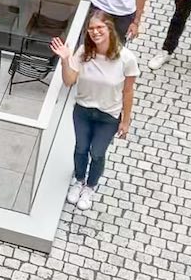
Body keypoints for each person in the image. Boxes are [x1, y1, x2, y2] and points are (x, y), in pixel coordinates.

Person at [50, 13, 138, 212]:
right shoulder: (84, 52)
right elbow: (69, 81)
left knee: (97, 153)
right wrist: (65, 60)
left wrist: (126, 121)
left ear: (109, 29)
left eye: (100, 28)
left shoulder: (126, 59)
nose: (95, 32)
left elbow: (128, 91)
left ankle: (90, 186)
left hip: (108, 116)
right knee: (81, 148)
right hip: (83, 110)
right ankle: (79, 180)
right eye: (91, 29)